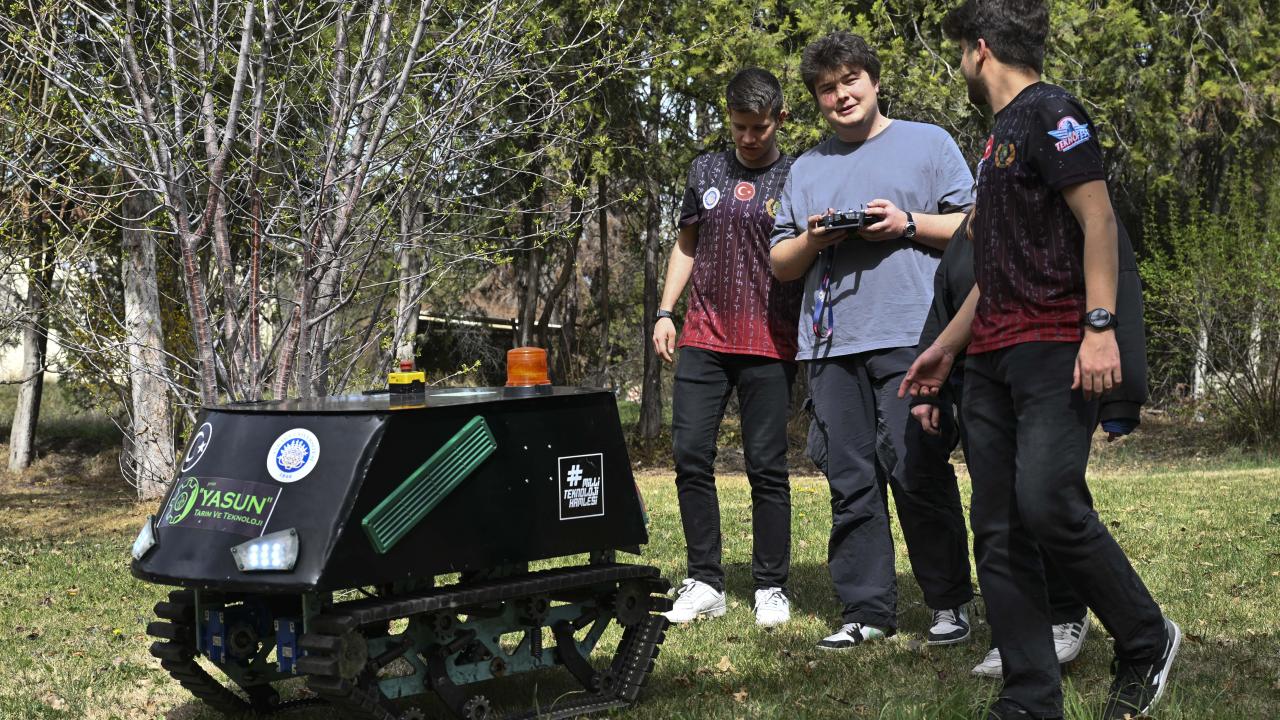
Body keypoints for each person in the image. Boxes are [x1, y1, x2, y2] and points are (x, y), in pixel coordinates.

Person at [901, 3, 1180, 718]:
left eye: (960, 51)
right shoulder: (997, 139)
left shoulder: (1053, 111)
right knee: (995, 526)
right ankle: (1029, 696)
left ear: (981, 50)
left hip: (1056, 343)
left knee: (1048, 501)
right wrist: (944, 348)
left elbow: (1099, 221)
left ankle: (1146, 639)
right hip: (990, 354)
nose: (960, 64)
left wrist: (1098, 327)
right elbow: (994, 271)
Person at [768, 31, 976, 650]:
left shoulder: (928, 143)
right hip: (829, 347)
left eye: (850, 80)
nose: (841, 95)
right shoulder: (807, 167)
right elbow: (781, 263)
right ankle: (867, 610)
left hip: (914, 335)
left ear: (874, 80)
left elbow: (975, 226)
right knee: (849, 478)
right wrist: (814, 240)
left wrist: (904, 223)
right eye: (827, 88)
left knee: (916, 468)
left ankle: (948, 604)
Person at [909, 212, 1150, 681]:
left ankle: (1066, 614)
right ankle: (1017, 637)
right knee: (996, 512)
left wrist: (1122, 396)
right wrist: (930, 391)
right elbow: (948, 306)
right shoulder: (969, 235)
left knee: (1043, 500)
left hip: (1054, 365)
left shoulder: (1068, 205)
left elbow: (1118, 280)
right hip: (982, 375)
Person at [655, 68, 804, 628]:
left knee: (767, 465)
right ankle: (705, 581)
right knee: (691, 455)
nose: (747, 138)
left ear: (780, 120)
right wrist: (667, 311)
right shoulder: (705, 169)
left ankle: (770, 585)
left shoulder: (799, 173)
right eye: (739, 126)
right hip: (704, 337)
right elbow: (686, 244)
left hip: (769, 340)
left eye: (758, 128)